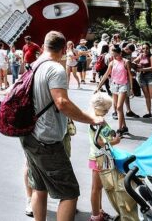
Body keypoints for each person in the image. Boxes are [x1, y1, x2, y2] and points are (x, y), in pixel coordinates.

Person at [20, 31, 104, 221]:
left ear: (43, 45)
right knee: (69, 193)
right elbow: (62, 103)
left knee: (39, 188)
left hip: (29, 134)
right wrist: (90, 118)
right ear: (63, 49)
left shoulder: (34, 65)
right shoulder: (55, 69)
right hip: (46, 139)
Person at [88, 92, 120, 221]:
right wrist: (114, 142)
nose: (107, 111)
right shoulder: (95, 120)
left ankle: (99, 212)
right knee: (96, 188)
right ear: (97, 107)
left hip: (101, 156)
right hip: (98, 157)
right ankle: (95, 216)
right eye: (105, 109)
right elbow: (99, 142)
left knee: (99, 188)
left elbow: (105, 134)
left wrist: (113, 134)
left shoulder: (99, 118)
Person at [95, 45, 132, 135]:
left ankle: (119, 130)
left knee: (119, 107)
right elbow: (105, 75)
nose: (114, 57)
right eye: (113, 55)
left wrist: (131, 89)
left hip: (123, 85)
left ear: (120, 53)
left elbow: (130, 75)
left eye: (116, 55)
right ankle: (124, 127)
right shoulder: (112, 63)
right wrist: (98, 87)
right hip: (114, 85)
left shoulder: (126, 62)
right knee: (117, 108)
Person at [134, 43, 152, 119]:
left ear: (149, 49)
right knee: (147, 96)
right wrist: (136, 65)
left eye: (146, 48)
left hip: (151, 76)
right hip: (142, 77)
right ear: (141, 49)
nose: (145, 50)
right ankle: (149, 112)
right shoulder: (141, 55)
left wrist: (141, 69)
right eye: (143, 48)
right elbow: (134, 62)